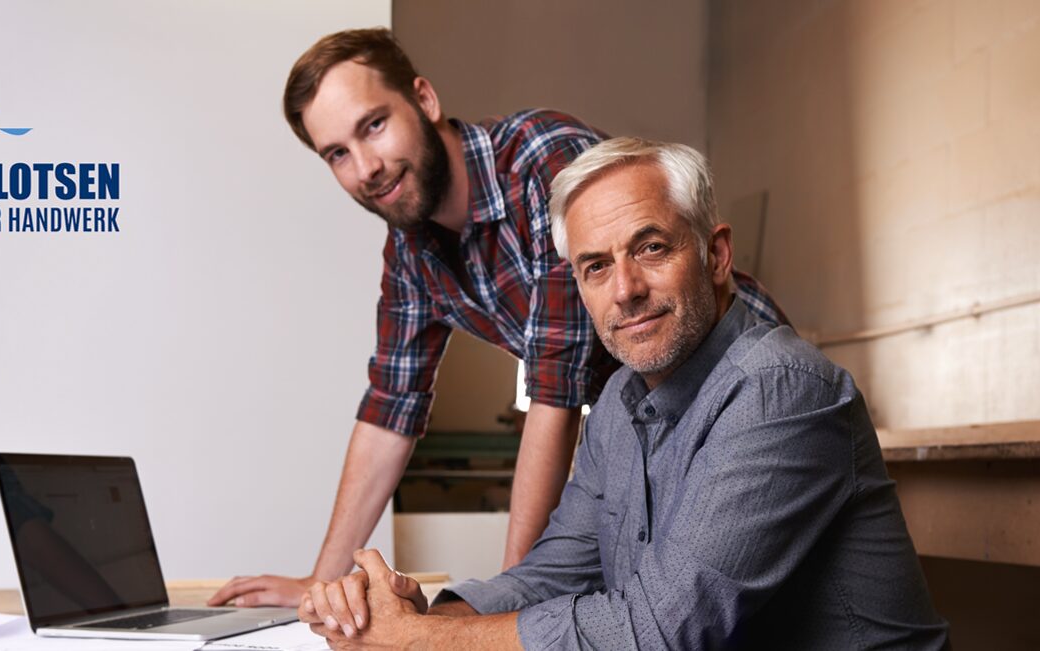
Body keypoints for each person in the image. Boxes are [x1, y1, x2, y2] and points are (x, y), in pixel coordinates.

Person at [210, 29, 789, 610]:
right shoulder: (410, 251)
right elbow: (390, 409)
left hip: (734, 387)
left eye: (374, 125)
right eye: (337, 153)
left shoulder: (544, 162)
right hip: (644, 418)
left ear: (424, 100)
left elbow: (554, 392)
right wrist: (321, 583)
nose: (366, 168)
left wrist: (503, 614)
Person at [298, 138, 951, 649]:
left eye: (652, 247)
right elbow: (555, 574)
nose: (626, 290)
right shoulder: (617, 405)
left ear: (716, 255)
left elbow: (661, 630)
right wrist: (414, 616)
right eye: (596, 266)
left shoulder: (781, 390)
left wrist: (420, 642)